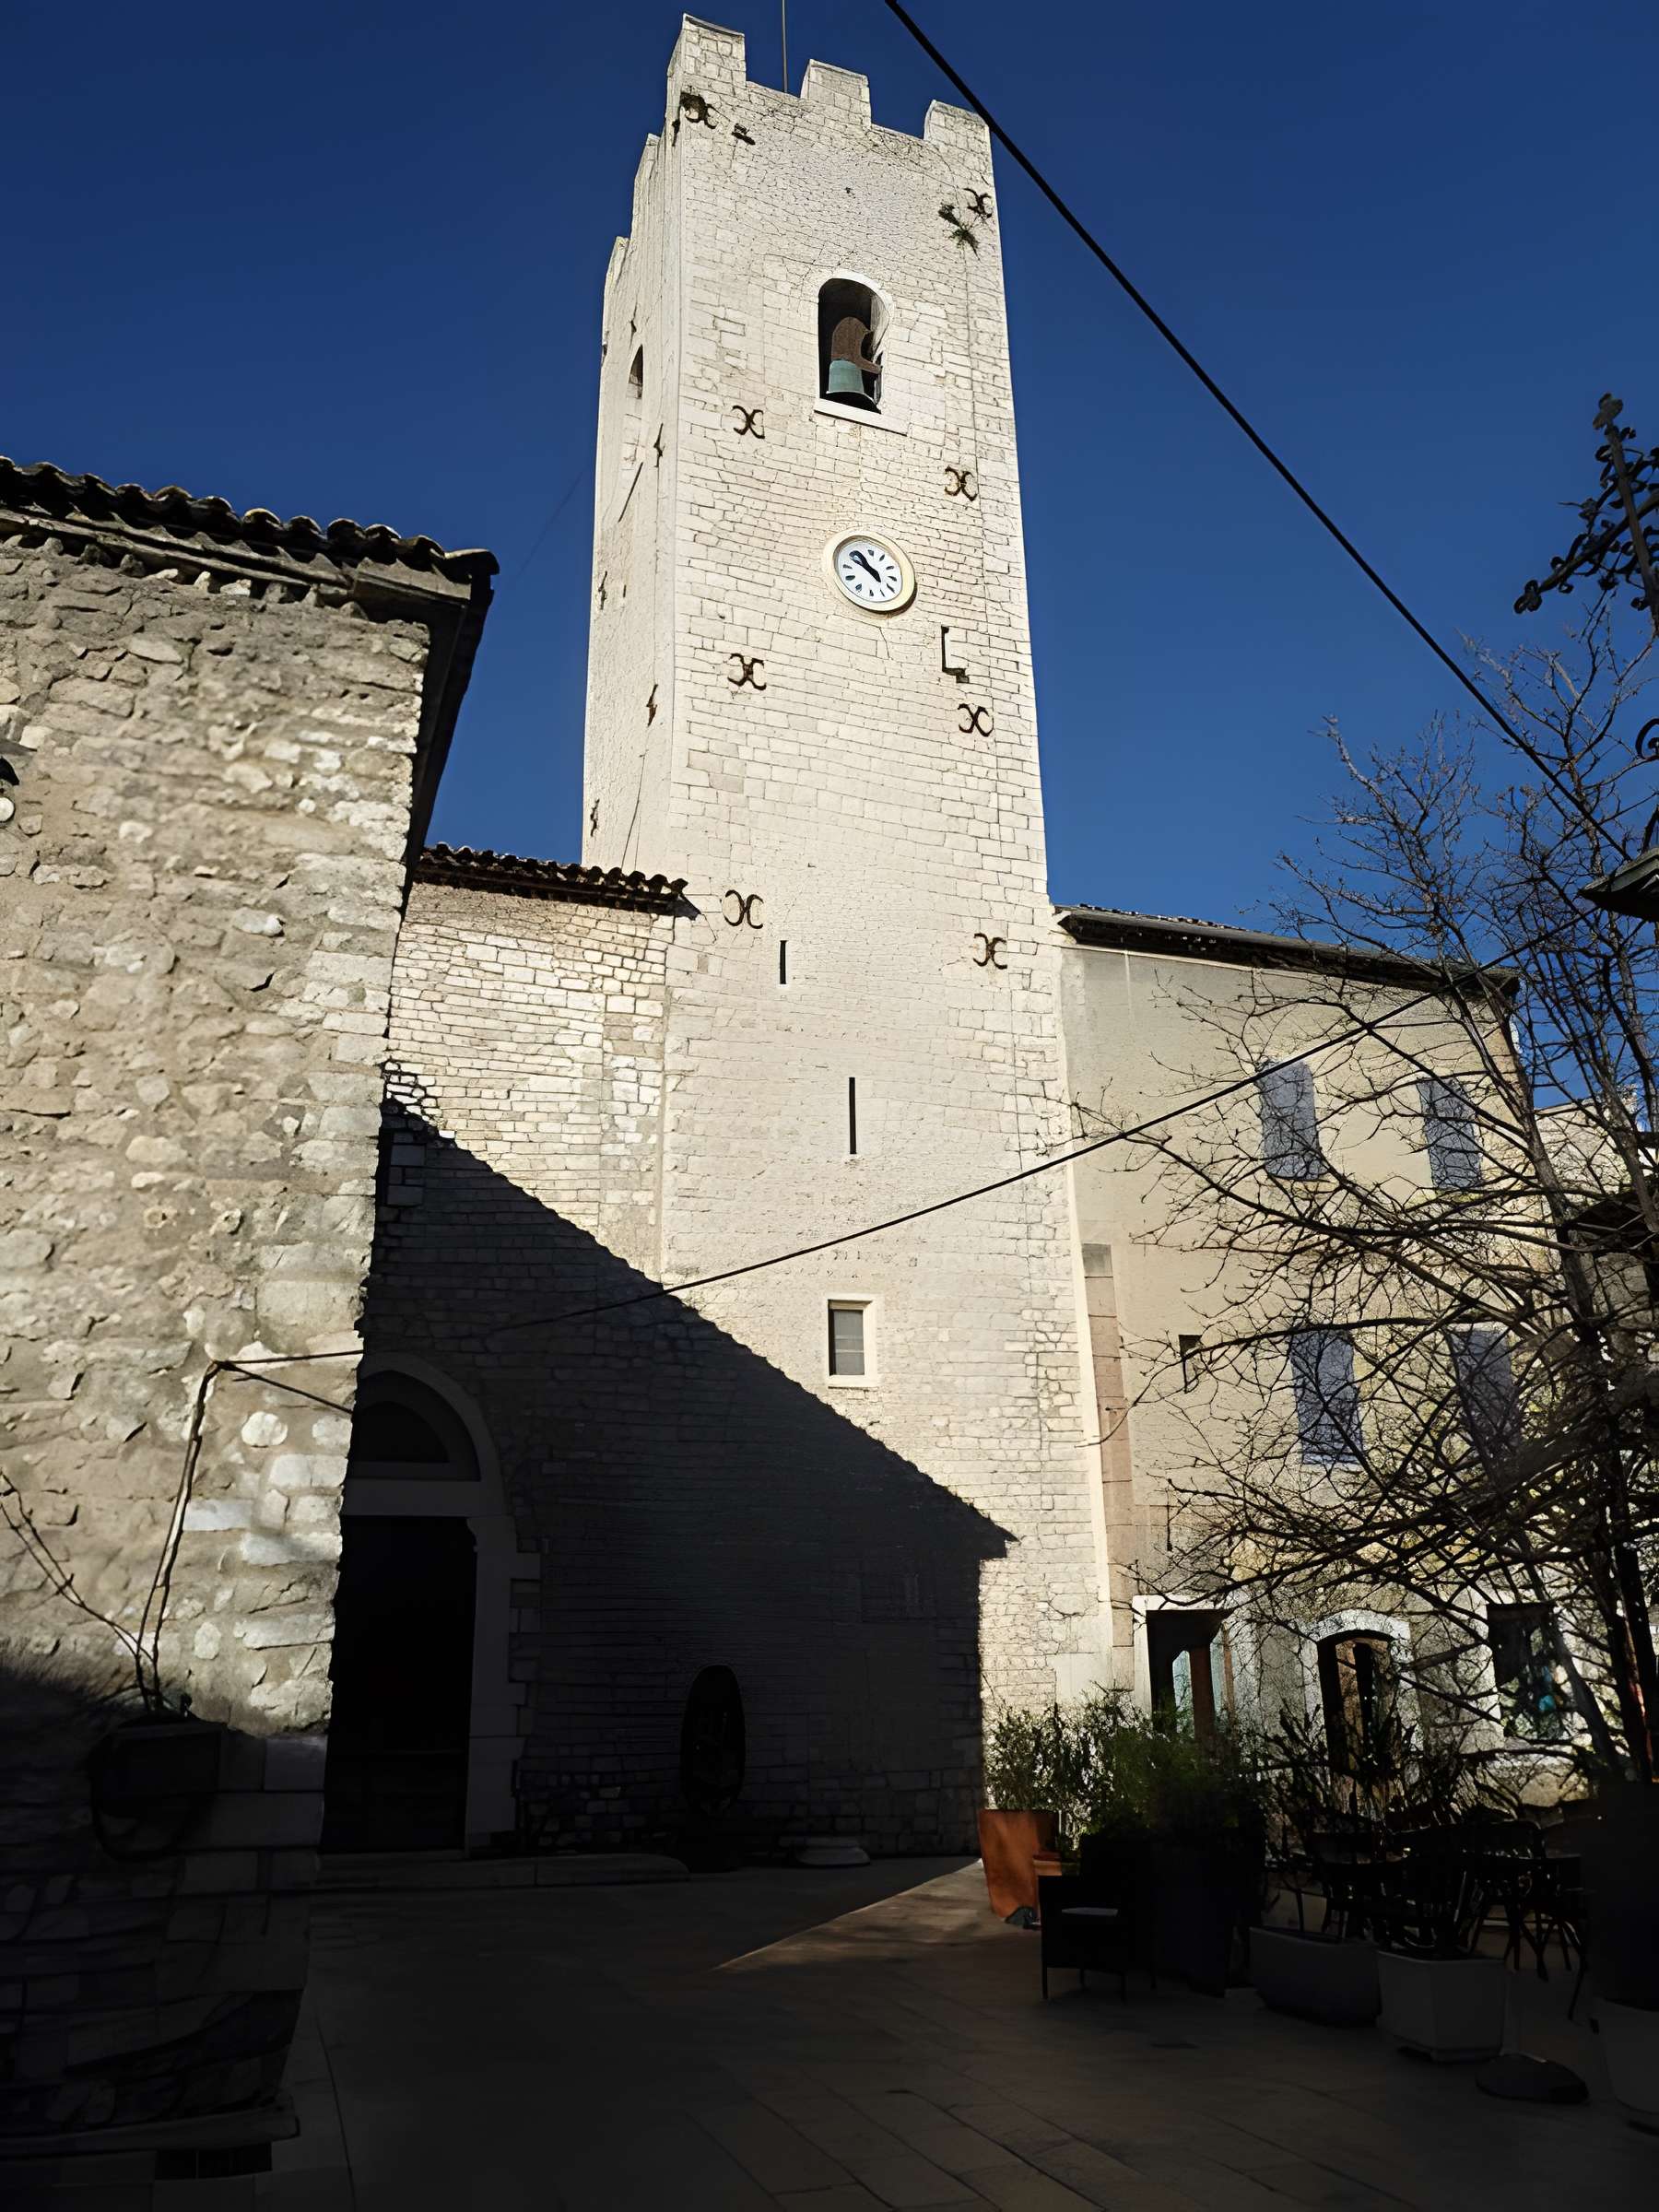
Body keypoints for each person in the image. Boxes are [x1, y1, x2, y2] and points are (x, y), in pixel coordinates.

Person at [826, 312, 879, 406]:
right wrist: (878, 369)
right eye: (862, 335)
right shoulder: (852, 333)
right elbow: (856, 359)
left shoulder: (839, 342)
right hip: (846, 372)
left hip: (837, 378)